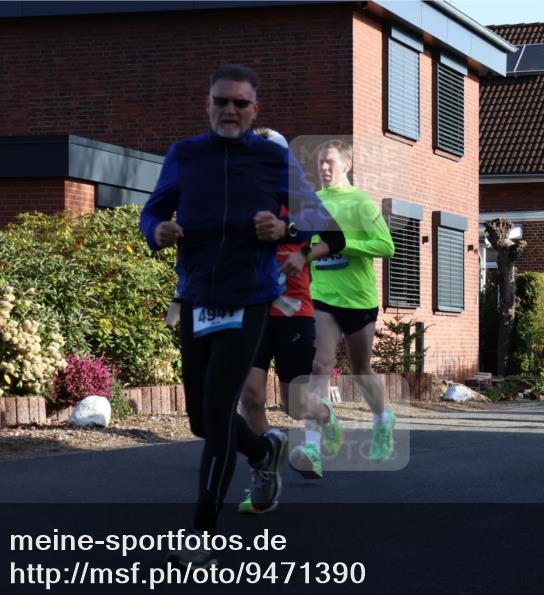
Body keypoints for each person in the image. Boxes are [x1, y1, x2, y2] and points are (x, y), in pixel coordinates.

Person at [139, 65, 341, 564]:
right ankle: (261, 450)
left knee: (217, 404)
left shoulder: (273, 159)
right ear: (207, 105)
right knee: (200, 421)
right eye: (221, 101)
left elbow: (326, 229)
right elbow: (153, 210)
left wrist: (285, 228)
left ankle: (202, 532)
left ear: (255, 110)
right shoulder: (184, 156)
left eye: (240, 103)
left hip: (249, 297)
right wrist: (156, 232)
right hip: (196, 296)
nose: (230, 110)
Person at [237, 128, 344, 511]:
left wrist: (305, 255)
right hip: (253, 311)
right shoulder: (242, 198)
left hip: (295, 311)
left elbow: (338, 237)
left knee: (294, 406)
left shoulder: (300, 199)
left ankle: (324, 414)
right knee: (250, 398)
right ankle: (264, 473)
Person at [289, 139, 396, 479]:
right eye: (320, 162)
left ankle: (382, 419)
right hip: (322, 296)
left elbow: (387, 245)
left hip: (360, 299)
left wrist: (344, 244)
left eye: (330, 162)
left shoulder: (360, 203)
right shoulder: (313, 205)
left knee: (361, 369)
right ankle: (311, 446)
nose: (323, 168)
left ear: (346, 165)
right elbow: (301, 247)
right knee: (320, 365)